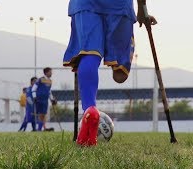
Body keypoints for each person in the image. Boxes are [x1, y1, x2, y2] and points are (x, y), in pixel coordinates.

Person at [63, 0, 157, 146]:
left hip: (85, 4)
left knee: (89, 53)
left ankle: (90, 109)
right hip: (119, 5)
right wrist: (141, 9)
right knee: (120, 75)